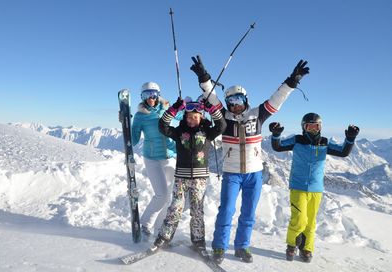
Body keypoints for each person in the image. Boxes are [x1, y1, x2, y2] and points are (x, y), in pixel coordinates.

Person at [190, 55, 310, 263]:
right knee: (226, 210)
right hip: (232, 173)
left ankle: (242, 247)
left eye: (238, 100)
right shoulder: (223, 117)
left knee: (248, 213)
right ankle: (219, 247)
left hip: (254, 173)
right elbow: (211, 97)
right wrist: (204, 77)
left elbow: (276, 99)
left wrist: (292, 82)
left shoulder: (258, 114)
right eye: (231, 101)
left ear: (245, 100)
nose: (235, 105)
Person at [269, 113, 359, 263]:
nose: (312, 130)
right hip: (298, 187)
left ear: (320, 127)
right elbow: (277, 147)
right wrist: (276, 134)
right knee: (299, 219)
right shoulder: (297, 140)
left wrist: (350, 138)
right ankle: (291, 245)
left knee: (310, 222)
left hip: (316, 189)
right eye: (309, 126)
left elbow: (343, 152)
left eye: (315, 126)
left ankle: (306, 249)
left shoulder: (324, 143)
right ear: (303, 127)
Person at [152, 96, 226, 250]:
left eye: (195, 117)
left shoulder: (207, 132)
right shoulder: (179, 132)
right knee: (175, 207)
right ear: (185, 117)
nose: (191, 120)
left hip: (200, 178)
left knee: (197, 209)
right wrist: (174, 108)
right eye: (189, 117)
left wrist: (211, 108)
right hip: (180, 177)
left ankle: (198, 241)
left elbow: (222, 125)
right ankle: (164, 236)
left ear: (201, 117)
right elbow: (163, 126)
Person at [128, 82, 177, 238]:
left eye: (153, 94)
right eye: (146, 95)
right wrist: (126, 125)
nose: (150, 98)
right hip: (152, 158)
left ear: (158, 95)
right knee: (161, 194)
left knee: (168, 196)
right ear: (142, 97)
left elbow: (184, 116)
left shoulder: (167, 110)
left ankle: (160, 228)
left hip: (170, 156)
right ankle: (145, 224)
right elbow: (133, 139)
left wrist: (188, 104)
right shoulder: (141, 115)